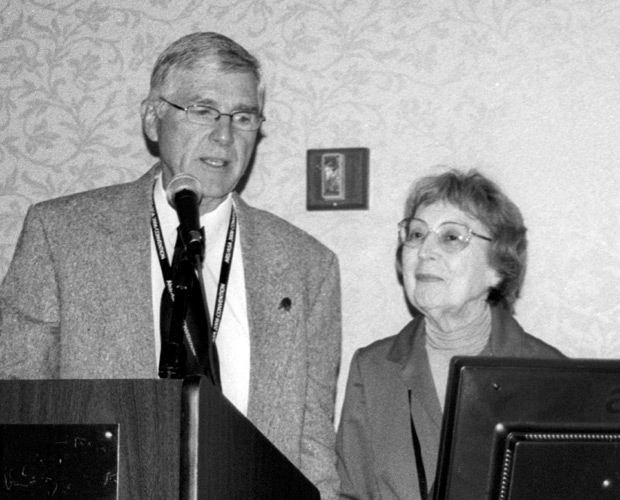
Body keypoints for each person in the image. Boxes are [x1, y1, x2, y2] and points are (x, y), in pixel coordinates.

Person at [0, 32, 341, 498]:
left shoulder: (307, 266)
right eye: (203, 111)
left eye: (243, 117)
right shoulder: (61, 235)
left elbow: (313, 446)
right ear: (153, 118)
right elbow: (16, 409)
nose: (224, 135)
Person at [335, 168, 563, 500]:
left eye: (451, 237)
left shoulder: (549, 374)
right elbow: (351, 493)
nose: (425, 251)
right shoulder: (372, 369)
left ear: (497, 267)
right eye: (415, 234)